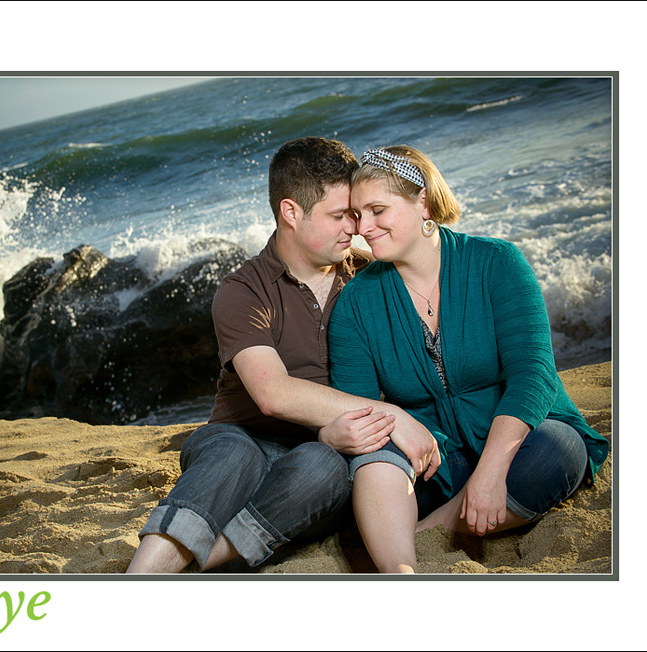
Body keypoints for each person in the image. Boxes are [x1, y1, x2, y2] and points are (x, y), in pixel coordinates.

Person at [126, 137, 440, 573]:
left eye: (356, 212)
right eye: (338, 216)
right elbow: (272, 393)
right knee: (235, 455)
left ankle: (199, 563)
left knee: (322, 466)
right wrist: (393, 417)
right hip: (237, 438)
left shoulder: (370, 276)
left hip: (322, 457)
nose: (355, 228)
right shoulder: (244, 290)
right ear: (291, 212)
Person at [329, 145, 610, 573]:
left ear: (421, 201)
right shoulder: (356, 304)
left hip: (517, 444)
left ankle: (429, 529)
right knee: (373, 465)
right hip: (434, 462)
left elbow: (533, 374)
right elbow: (360, 405)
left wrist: (490, 472)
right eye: (356, 214)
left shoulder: (497, 262)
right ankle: (405, 566)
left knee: (560, 450)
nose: (363, 228)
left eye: (377, 210)